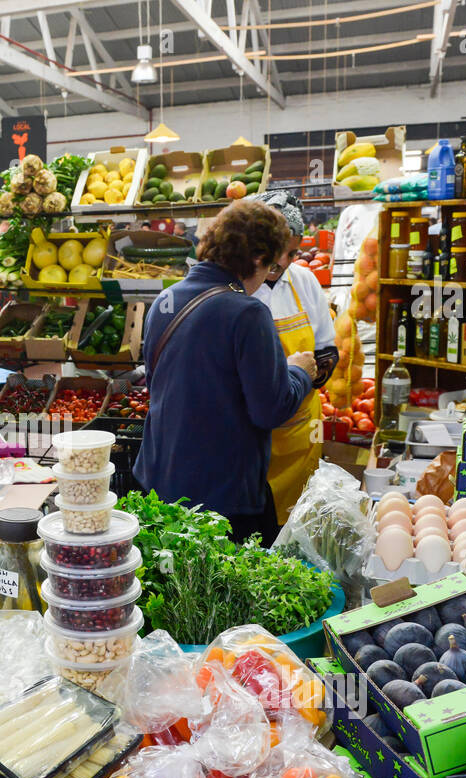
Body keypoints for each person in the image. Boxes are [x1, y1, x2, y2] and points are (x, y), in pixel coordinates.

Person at [134, 199, 316, 544]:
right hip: (221, 496)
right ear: (260, 259)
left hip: (159, 480)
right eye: (274, 263)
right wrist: (300, 372)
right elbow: (270, 409)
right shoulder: (247, 313)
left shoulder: (165, 299)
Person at [250, 191, 339, 526]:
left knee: (298, 527)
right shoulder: (238, 288)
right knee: (256, 530)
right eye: (281, 251)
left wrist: (306, 378)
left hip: (302, 432)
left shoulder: (305, 281)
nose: (286, 261)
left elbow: (328, 350)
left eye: (294, 252)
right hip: (255, 435)